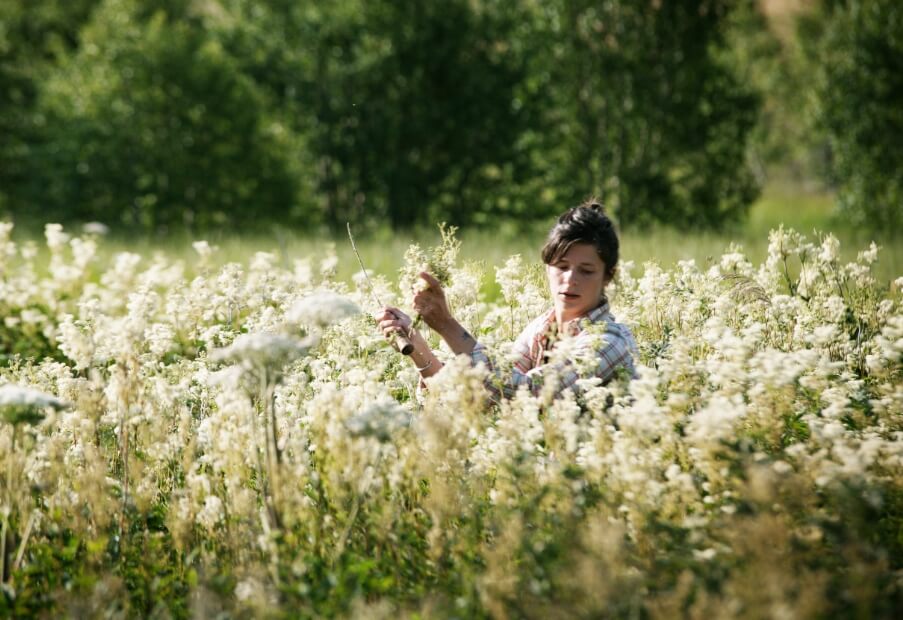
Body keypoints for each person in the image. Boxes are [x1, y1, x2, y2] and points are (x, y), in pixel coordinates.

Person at [376, 200, 637, 400]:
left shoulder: (611, 341)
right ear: (546, 267)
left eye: (587, 270)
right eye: (562, 266)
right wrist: (417, 347)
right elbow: (483, 398)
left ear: (608, 276)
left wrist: (446, 324)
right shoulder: (541, 329)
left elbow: (530, 393)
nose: (570, 279)